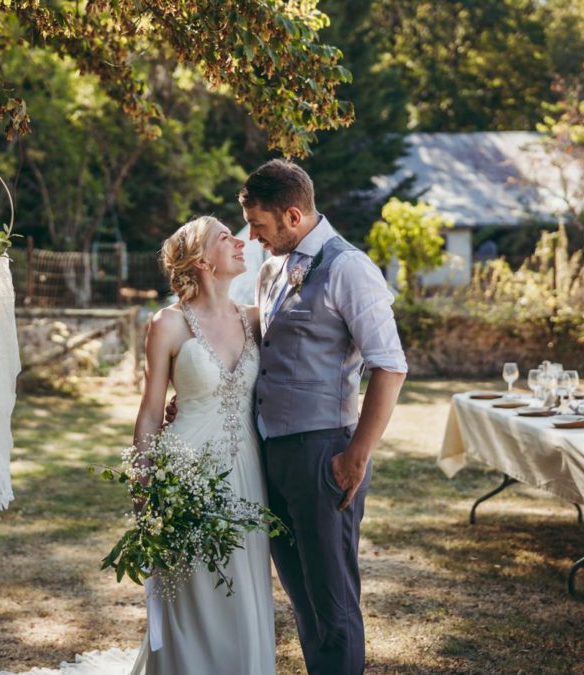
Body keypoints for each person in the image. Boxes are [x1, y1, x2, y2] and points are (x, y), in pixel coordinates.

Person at [242, 159, 407, 674]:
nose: (252, 238)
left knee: (333, 604)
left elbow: (390, 365)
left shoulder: (350, 268)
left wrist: (356, 454)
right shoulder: (269, 269)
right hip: (271, 454)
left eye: (260, 226)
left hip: (324, 456)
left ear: (293, 215)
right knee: (303, 598)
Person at [126, 215, 277, 674]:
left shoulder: (255, 319)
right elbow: (152, 409)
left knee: (244, 590)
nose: (239, 241)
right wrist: (143, 481)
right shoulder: (168, 324)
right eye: (224, 237)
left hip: (249, 470)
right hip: (185, 472)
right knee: (192, 593)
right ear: (200, 261)